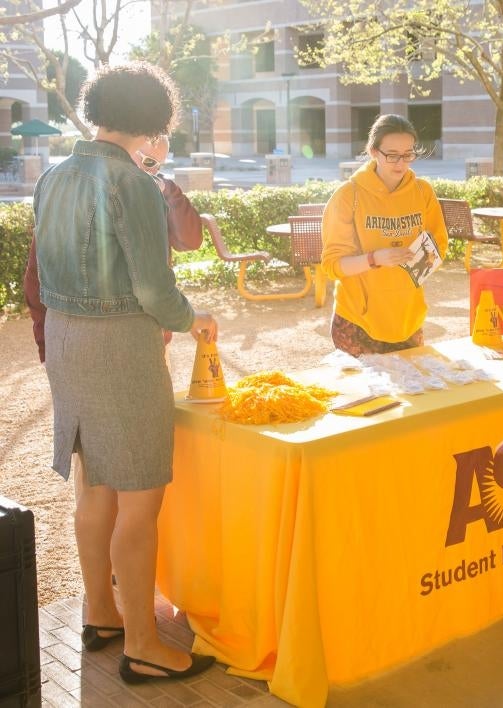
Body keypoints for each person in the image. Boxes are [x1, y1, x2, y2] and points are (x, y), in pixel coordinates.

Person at [31, 61, 217, 683]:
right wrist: (195, 321)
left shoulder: (53, 174)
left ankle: (103, 613)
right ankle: (144, 645)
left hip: (66, 340)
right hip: (119, 346)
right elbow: (153, 286)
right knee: (140, 499)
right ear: (151, 119)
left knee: (94, 488)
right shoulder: (132, 183)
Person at [23, 133, 203, 362]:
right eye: (149, 162)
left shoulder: (153, 188)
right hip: (99, 341)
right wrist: (45, 346)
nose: (153, 171)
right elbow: (36, 275)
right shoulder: (81, 189)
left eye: (160, 165)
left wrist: (168, 192)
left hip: (150, 337)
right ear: (127, 145)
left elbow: (190, 240)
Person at [320, 114, 448, 355]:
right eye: (392, 155)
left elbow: (439, 245)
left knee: (414, 391)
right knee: (366, 394)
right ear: (373, 151)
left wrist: (420, 261)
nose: (400, 163)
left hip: (408, 318)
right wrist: (375, 258)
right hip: (358, 321)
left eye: (408, 154)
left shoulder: (423, 192)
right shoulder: (349, 195)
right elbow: (332, 265)